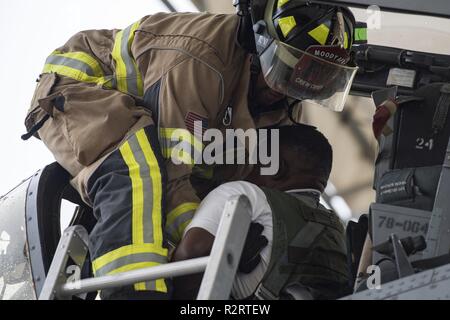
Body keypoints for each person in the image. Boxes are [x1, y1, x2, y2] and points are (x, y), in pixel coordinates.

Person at [22, 1, 358, 299]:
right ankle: (131, 292)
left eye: (303, 82)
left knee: (207, 181)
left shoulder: (283, 99)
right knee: (137, 167)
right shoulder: (202, 56)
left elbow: (242, 188)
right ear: (261, 44)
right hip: (80, 94)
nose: (287, 92)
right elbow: (172, 172)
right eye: (286, 72)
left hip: (163, 131)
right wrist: (222, 234)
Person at [172, 125, 349, 300]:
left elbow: (190, 256)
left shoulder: (245, 196)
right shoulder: (340, 235)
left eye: (254, 164)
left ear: (276, 167)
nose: (245, 173)